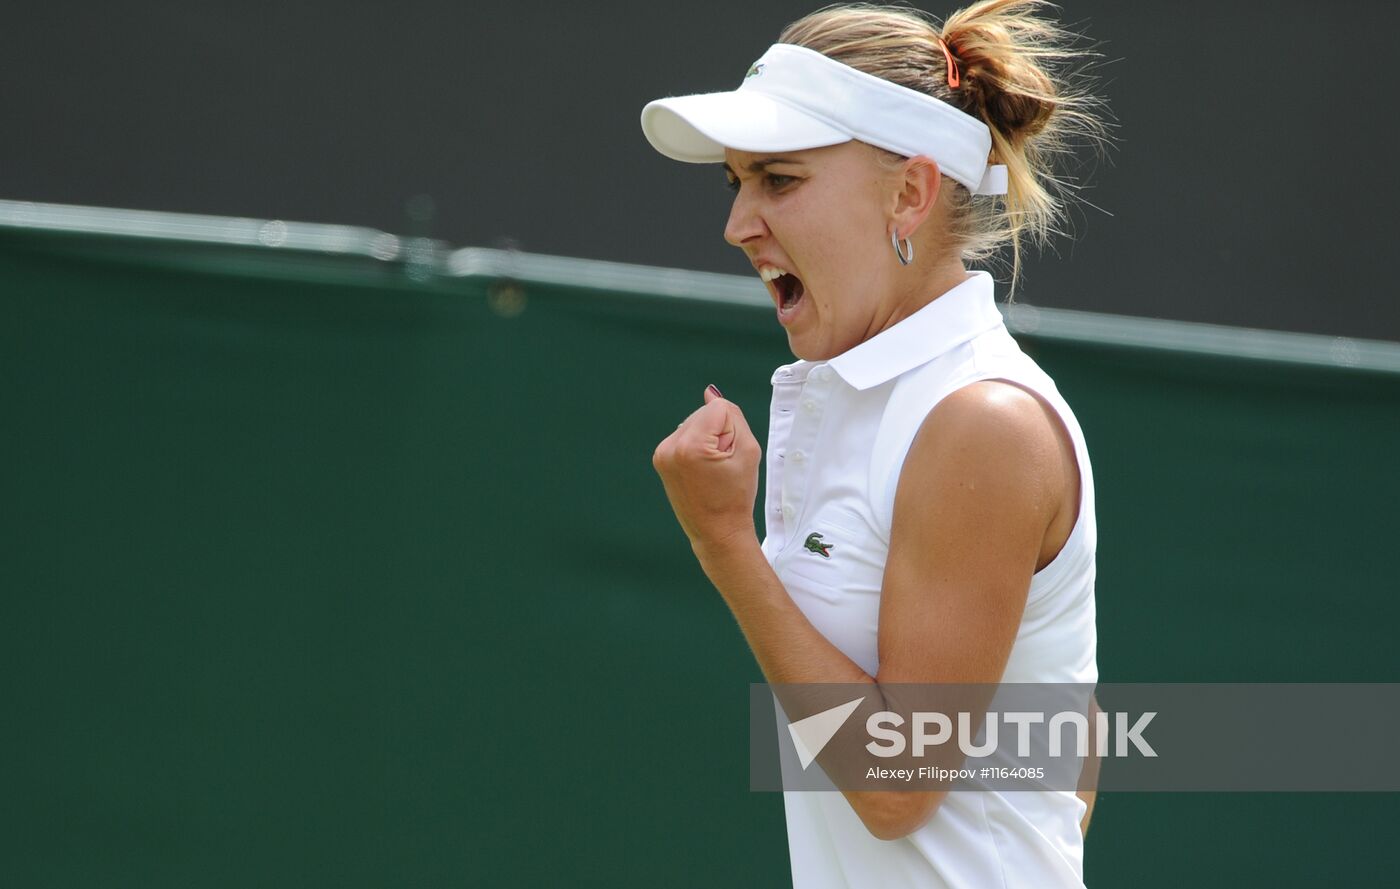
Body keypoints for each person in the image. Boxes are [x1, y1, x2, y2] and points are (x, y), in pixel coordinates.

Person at [646, 2, 1109, 885]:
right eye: (736, 182)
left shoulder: (980, 421)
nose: (739, 223)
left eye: (779, 180)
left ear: (910, 193)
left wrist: (725, 542)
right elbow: (1074, 740)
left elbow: (896, 787)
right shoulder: (880, 395)